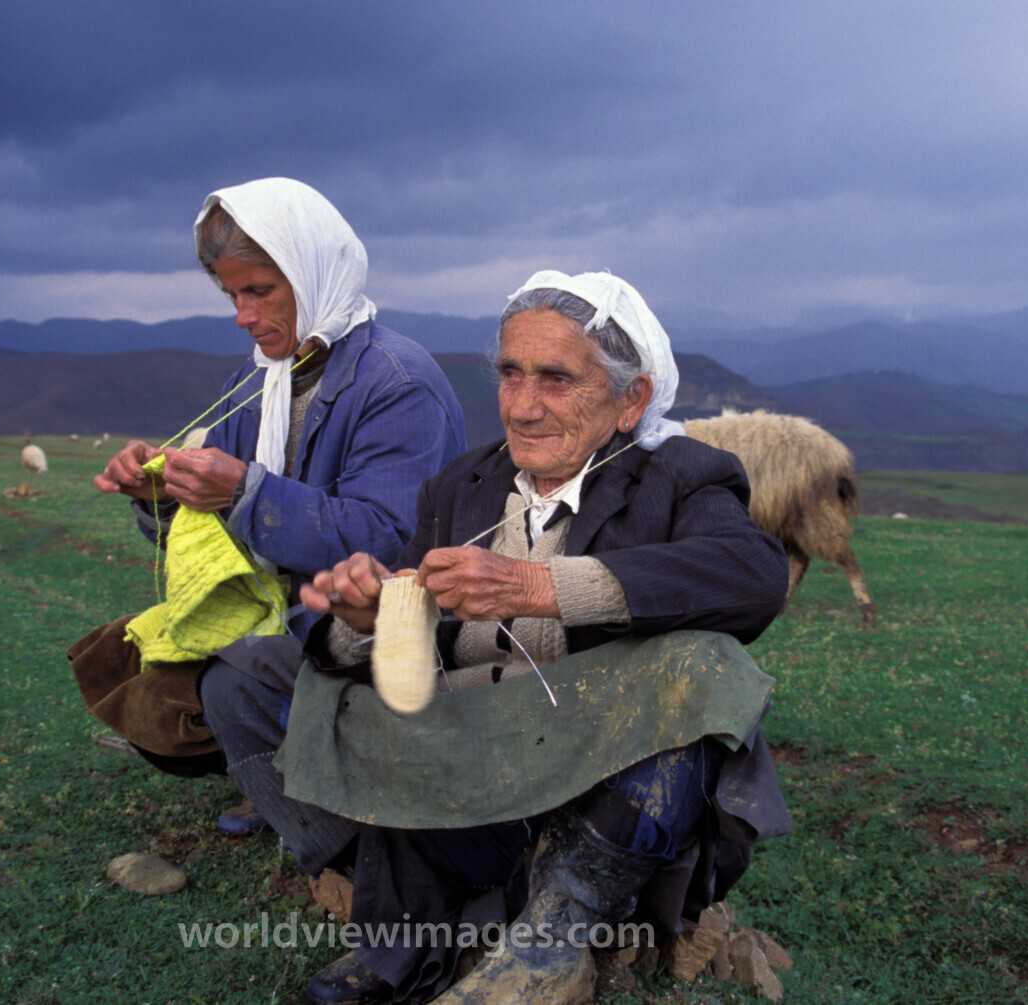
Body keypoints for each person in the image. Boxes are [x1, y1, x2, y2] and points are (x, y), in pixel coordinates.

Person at [198, 270, 792, 1004]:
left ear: (631, 399)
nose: (523, 404)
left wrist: (537, 586)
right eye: (511, 373)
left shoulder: (681, 477)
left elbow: (755, 575)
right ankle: (405, 908)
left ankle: (552, 939)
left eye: (556, 378)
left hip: (587, 801)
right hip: (462, 779)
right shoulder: (461, 484)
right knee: (248, 675)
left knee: (701, 664)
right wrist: (374, 622)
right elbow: (419, 646)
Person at [72, 177, 466, 835]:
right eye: (232, 295)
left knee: (227, 682)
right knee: (132, 661)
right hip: (278, 611)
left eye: (259, 290)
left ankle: (342, 846)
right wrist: (163, 498)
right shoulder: (253, 384)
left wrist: (243, 493)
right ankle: (281, 770)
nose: (243, 315)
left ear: (313, 273)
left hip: (378, 622)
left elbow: (391, 538)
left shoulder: (398, 384)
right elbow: (213, 529)